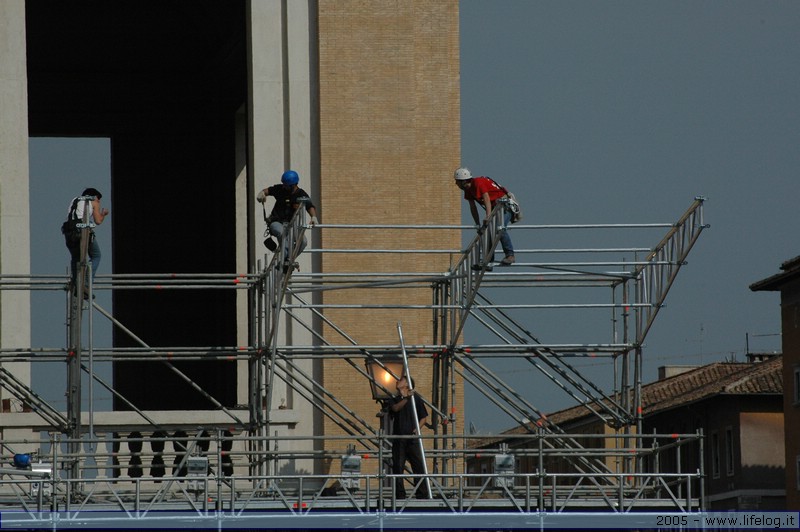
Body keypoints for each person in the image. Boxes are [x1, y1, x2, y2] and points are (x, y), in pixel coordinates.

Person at [454, 167, 515, 265]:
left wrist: (488, 216)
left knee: (499, 228)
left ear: (463, 181)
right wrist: (478, 224)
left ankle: (510, 255)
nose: (456, 184)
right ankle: (488, 260)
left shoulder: (478, 182)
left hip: (505, 206)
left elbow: (486, 198)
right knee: (487, 231)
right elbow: (473, 207)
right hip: (496, 208)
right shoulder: (468, 190)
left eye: (457, 181)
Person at [256, 170, 319, 259]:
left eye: (286, 185)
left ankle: (289, 259)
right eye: (284, 184)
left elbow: (310, 206)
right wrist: (261, 194)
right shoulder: (280, 189)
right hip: (276, 222)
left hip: (292, 225)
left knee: (303, 241)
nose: (284, 186)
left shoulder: (301, 194)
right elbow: (268, 190)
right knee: (282, 233)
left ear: (293, 185)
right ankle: (285, 258)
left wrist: (314, 217)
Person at [389, 376, 430, 499]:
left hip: (412, 438)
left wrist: (418, 428)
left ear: (407, 384)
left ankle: (422, 493)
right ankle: (400, 494)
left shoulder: (416, 399)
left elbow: (423, 417)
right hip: (399, 438)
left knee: (418, 465)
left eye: (400, 380)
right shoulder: (394, 399)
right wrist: (407, 398)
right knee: (398, 466)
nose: (397, 381)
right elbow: (395, 409)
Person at [65, 187, 109, 298]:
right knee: (96, 255)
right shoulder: (92, 201)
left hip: (69, 231)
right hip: (82, 231)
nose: (98, 202)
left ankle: (76, 285)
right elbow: (98, 221)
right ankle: (85, 284)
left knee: (76, 258)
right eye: (99, 199)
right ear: (94, 197)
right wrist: (103, 214)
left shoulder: (75, 200)